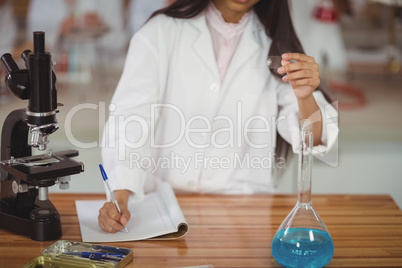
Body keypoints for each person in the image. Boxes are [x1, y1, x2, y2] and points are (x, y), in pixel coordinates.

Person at [98, 0, 339, 233]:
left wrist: (305, 96)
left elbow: (313, 140)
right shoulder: (160, 32)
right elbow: (131, 120)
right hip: (163, 211)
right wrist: (120, 197)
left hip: (243, 219)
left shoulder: (275, 44)